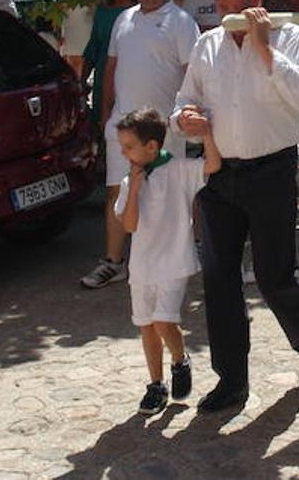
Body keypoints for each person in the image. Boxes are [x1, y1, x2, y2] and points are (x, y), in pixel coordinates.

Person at [173, 0, 299, 414]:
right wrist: (184, 119)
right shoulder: (208, 45)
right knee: (219, 280)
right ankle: (231, 381)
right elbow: (185, 100)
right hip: (220, 177)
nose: (220, 6)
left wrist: (264, 49)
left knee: (275, 275)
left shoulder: (289, 35)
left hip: (271, 172)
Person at [83, 0, 199, 291]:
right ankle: (113, 262)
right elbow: (111, 69)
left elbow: (193, 73)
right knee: (116, 192)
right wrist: (104, 115)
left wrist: (185, 115)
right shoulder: (123, 20)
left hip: (164, 128)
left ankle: (174, 259)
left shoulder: (180, 21)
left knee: (169, 195)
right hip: (122, 126)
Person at [113, 107, 219, 415]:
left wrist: (207, 135)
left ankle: (179, 358)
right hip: (143, 265)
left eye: (129, 146)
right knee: (146, 325)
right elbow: (130, 225)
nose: (124, 152)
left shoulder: (178, 170)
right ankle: (156, 383)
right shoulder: (128, 181)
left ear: (151, 146)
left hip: (174, 261)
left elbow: (212, 164)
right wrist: (133, 188)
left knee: (163, 320)